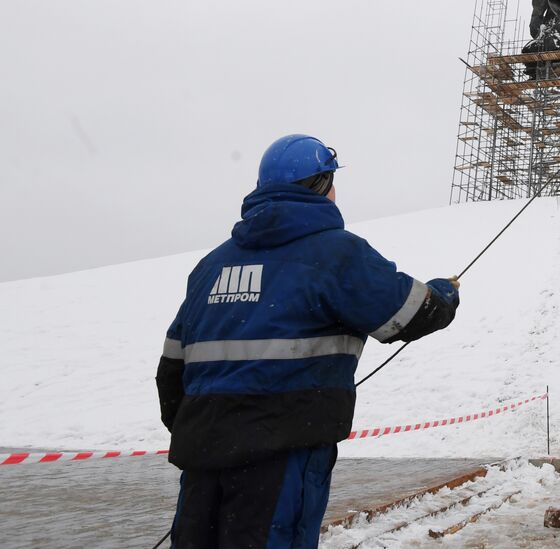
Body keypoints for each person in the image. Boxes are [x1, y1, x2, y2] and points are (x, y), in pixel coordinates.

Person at [156, 134, 461, 548]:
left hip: (203, 453)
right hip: (283, 456)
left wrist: (210, 433)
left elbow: (171, 370)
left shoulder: (211, 266)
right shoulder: (336, 254)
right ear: (320, 186)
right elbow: (409, 315)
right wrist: (443, 293)